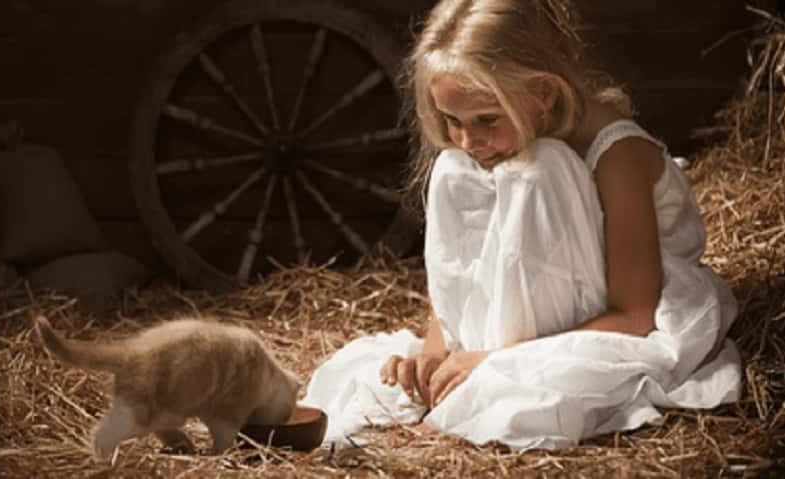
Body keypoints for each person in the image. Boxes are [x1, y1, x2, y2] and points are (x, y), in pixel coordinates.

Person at [302, 0, 741, 450]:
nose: (469, 140)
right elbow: (480, 261)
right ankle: (463, 360)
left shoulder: (617, 156)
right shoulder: (495, 144)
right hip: (530, 316)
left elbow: (633, 315)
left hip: (613, 315)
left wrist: (494, 362)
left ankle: (484, 363)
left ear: (544, 94)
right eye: (452, 121)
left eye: (487, 120)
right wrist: (435, 350)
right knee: (452, 170)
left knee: (542, 169)